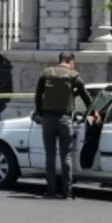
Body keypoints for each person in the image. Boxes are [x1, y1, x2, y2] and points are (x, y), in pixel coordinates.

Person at [34, 52, 93, 199]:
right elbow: (86, 96)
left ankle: (50, 190)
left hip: (48, 119)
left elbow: (38, 96)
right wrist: (93, 111)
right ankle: (67, 192)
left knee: (50, 155)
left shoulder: (46, 73)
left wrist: (41, 112)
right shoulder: (73, 76)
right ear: (70, 60)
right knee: (66, 157)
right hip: (65, 120)